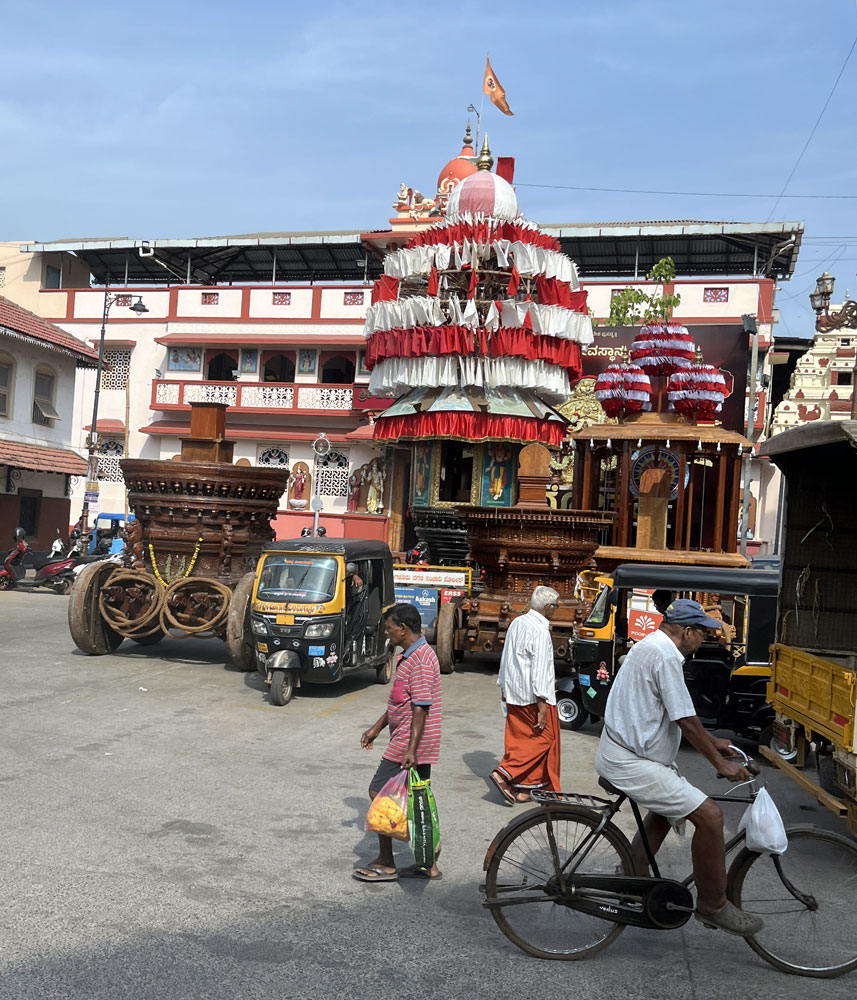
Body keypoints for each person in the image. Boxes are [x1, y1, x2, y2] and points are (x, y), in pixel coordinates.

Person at [594, 598, 764, 938]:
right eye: (702, 632)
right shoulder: (665, 656)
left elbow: (679, 714)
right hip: (630, 761)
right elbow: (685, 719)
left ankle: (632, 874)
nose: (706, 638)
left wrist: (713, 741)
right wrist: (720, 764)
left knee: (667, 810)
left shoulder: (651, 646)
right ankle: (713, 905)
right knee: (711, 817)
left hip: (629, 754)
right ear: (686, 632)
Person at [355, 603, 442, 882]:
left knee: (379, 792)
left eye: (390, 627)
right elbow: (400, 702)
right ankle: (429, 864)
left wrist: (412, 750)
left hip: (410, 742)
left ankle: (387, 861)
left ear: (403, 629)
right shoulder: (410, 655)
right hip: (409, 739)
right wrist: (377, 728)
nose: (387, 632)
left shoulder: (421, 659)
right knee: (416, 801)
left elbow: (421, 707)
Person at [492, 586, 561, 804]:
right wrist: (542, 707)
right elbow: (539, 670)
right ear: (548, 607)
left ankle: (525, 790)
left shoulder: (517, 622)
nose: (556, 610)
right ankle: (504, 773)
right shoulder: (540, 630)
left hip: (514, 693)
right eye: (556, 606)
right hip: (533, 698)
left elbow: (506, 657)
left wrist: (503, 686)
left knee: (520, 740)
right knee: (545, 740)